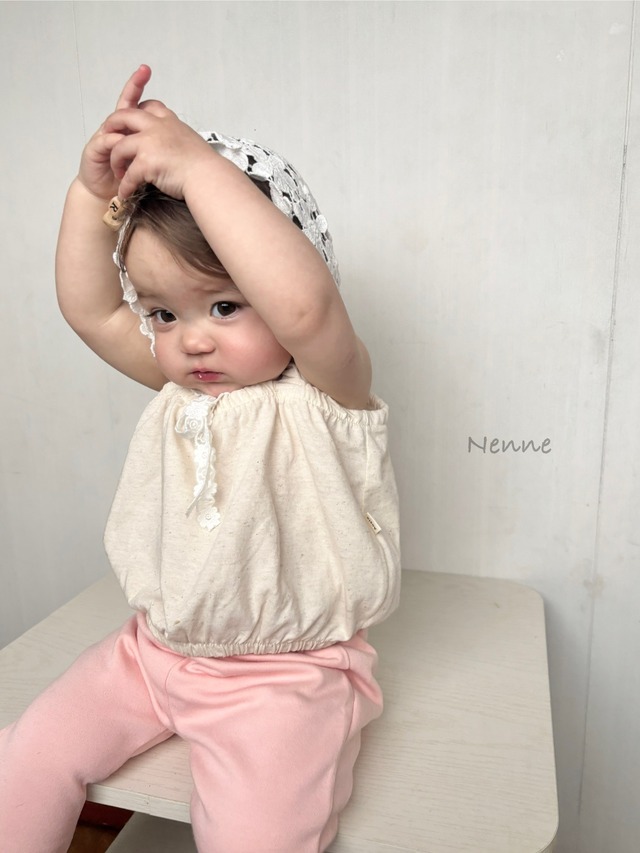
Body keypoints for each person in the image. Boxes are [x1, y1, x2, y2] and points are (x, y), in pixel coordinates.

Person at [0, 65, 400, 853]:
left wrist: (195, 167)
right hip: (151, 651)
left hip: (282, 679)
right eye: (163, 313)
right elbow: (90, 308)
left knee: (253, 836)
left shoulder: (330, 391)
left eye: (223, 304)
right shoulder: (184, 387)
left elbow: (304, 307)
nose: (193, 339)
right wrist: (91, 193)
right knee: (25, 756)